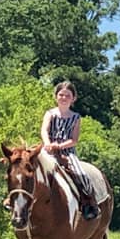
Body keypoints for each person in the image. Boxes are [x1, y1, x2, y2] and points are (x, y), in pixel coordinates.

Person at [41, 80, 100, 220]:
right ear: (56, 96)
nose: (64, 98)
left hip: (67, 151)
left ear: (73, 98)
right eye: (61, 94)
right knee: (28, 166)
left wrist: (60, 146)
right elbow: (44, 130)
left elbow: (74, 139)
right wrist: (48, 143)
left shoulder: (75, 117)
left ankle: (88, 203)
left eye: (67, 95)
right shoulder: (50, 113)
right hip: (48, 149)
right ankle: (15, 200)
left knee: (81, 174)